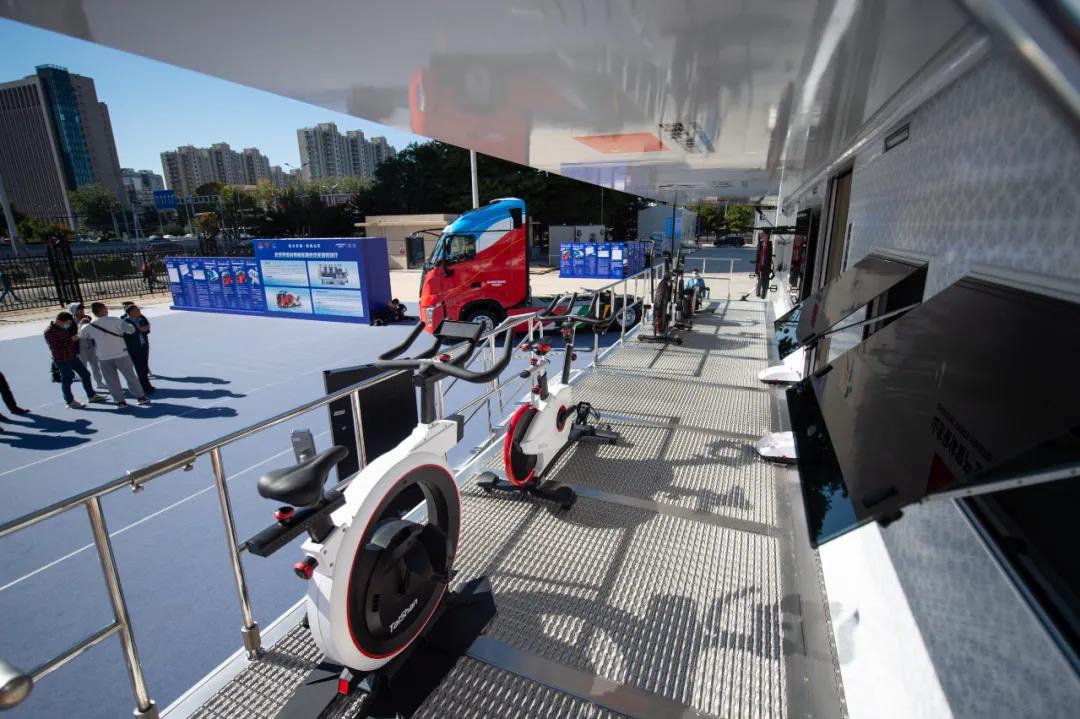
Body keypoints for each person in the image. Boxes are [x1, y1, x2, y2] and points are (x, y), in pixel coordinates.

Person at [82, 302, 149, 407]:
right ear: (103, 310)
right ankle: (141, 397)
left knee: (111, 381)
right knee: (130, 377)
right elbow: (131, 330)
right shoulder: (115, 320)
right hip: (120, 354)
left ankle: (120, 401)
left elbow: (84, 339)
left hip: (103, 357)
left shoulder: (88, 326)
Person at [43, 311, 105, 409]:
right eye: (67, 322)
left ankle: (91, 396)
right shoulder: (49, 331)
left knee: (85, 374)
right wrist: (71, 340)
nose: (68, 324)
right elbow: (55, 347)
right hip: (61, 359)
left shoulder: (62, 327)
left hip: (72, 356)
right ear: (60, 321)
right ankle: (70, 401)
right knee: (67, 378)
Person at [122, 304, 154, 394]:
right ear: (131, 312)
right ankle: (143, 387)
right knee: (139, 367)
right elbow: (130, 333)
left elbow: (147, 329)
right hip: (134, 348)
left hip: (144, 345)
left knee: (144, 366)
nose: (139, 311)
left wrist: (140, 329)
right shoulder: (125, 322)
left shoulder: (142, 318)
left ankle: (147, 385)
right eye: (137, 310)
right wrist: (139, 329)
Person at [78, 316, 107, 390]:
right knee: (83, 369)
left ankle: (99, 383)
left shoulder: (92, 329)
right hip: (82, 350)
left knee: (95, 367)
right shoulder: (78, 331)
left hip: (92, 349)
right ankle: (87, 385)